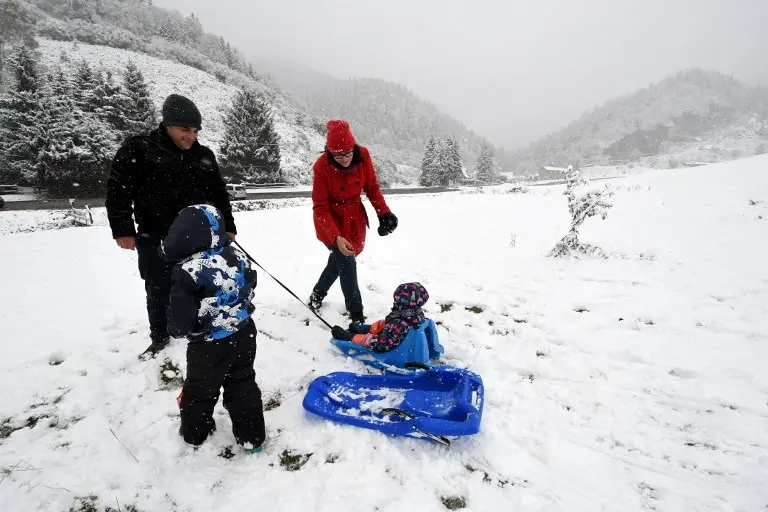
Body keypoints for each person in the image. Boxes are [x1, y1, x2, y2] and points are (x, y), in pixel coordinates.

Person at [105, 94, 237, 359]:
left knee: (199, 281)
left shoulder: (204, 155)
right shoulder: (140, 149)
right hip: (155, 234)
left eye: (195, 131)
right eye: (184, 129)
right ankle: (160, 336)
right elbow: (118, 191)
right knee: (158, 287)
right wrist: (122, 229)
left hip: (198, 235)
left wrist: (228, 226)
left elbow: (219, 194)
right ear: (167, 125)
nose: (191, 136)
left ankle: (196, 326)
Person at [162, 204, 265, 452]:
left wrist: (175, 328)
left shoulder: (188, 271)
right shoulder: (237, 255)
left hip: (208, 345)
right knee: (242, 383)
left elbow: (182, 316)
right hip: (244, 332)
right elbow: (250, 285)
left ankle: (195, 434)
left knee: (200, 390)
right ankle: (252, 437)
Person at [309, 120, 398, 323]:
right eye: (338, 155)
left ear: (353, 147)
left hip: (354, 218)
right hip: (330, 221)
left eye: (348, 153)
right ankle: (356, 316)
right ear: (329, 152)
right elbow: (320, 207)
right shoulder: (321, 167)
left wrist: (384, 213)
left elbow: (372, 187)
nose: (344, 159)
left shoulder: (363, 155)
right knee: (347, 263)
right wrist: (336, 236)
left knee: (337, 263)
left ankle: (316, 295)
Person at [331, 282, 429, 352]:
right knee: (385, 324)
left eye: (397, 301)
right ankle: (366, 329)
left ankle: (350, 336)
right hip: (396, 334)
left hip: (390, 349)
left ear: (404, 303)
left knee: (375, 337)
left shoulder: (400, 324)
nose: (395, 303)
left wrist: (351, 337)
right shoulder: (415, 314)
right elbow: (391, 324)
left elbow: (381, 345)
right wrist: (369, 329)